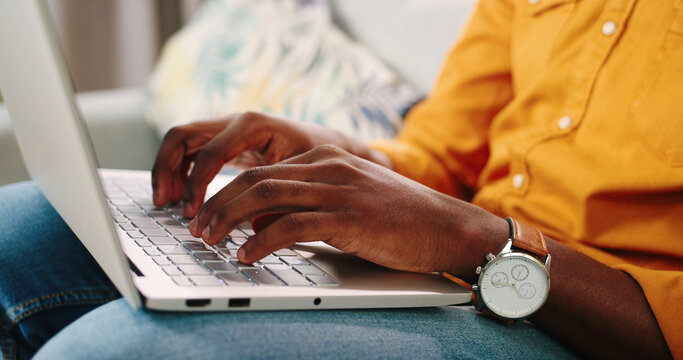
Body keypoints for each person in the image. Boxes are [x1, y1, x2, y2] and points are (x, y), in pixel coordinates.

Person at [1, 0, 680, 358]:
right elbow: (440, 154)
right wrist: (332, 155)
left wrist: (473, 240)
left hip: (580, 326)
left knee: (116, 352)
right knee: (15, 234)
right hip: (454, 268)